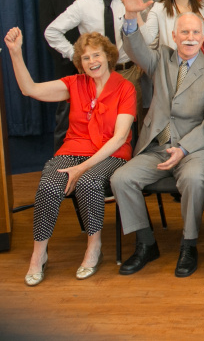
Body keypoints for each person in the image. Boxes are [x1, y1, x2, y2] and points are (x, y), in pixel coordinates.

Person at [112, 0, 204, 277]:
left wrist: (184, 149)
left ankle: (189, 244)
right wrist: (130, 14)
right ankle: (145, 243)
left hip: (194, 150)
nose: (190, 38)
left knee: (193, 180)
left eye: (195, 33)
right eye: (184, 33)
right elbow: (134, 46)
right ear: (174, 36)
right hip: (157, 147)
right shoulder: (159, 59)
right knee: (121, 178)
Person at [6, 28, 134, 286]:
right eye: (85, 58)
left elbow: (119, 138)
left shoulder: (125, 87)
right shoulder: (74, 84)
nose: (92, 62)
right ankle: (39, 254)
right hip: (72, 150)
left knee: (88, 182)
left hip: (110, 153)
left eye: (96, 55)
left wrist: (82, 169)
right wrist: (16, 53)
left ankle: (93, 247)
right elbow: (29, 89)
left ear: (109, 57)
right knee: (49, 184)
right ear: (80, 63)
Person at [44, 0, 142, 108]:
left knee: (131, 122)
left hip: (126, 71)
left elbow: (141, 33)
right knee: (99, 121)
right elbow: (52, 31)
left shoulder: (127, 0)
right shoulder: (82, 5)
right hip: (97, 74)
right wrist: (74, 54)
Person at [39, 0, 94, 148]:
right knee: (65, 121)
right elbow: (48, 34)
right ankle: (61, 170)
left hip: (101, 69)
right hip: (68, 69)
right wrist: (75, 58)